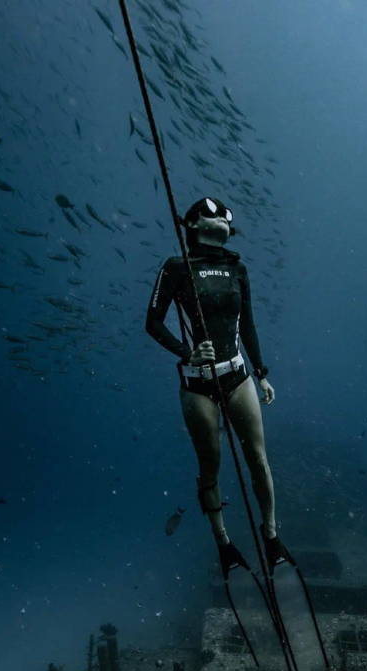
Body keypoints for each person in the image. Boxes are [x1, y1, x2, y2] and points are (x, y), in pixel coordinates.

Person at [145, 196, 291, 575]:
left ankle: (271, 536)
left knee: (258, 458)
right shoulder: (176, 267)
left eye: (225, 215)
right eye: (210, 213)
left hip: (237, 376)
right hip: (197, 384)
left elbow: (250, 325)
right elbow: (153, 322)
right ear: (191, 224)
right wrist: (185, 353)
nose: (220, 216)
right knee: (210, 465)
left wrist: (261, 373)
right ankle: (224, 543)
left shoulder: (238, 269)